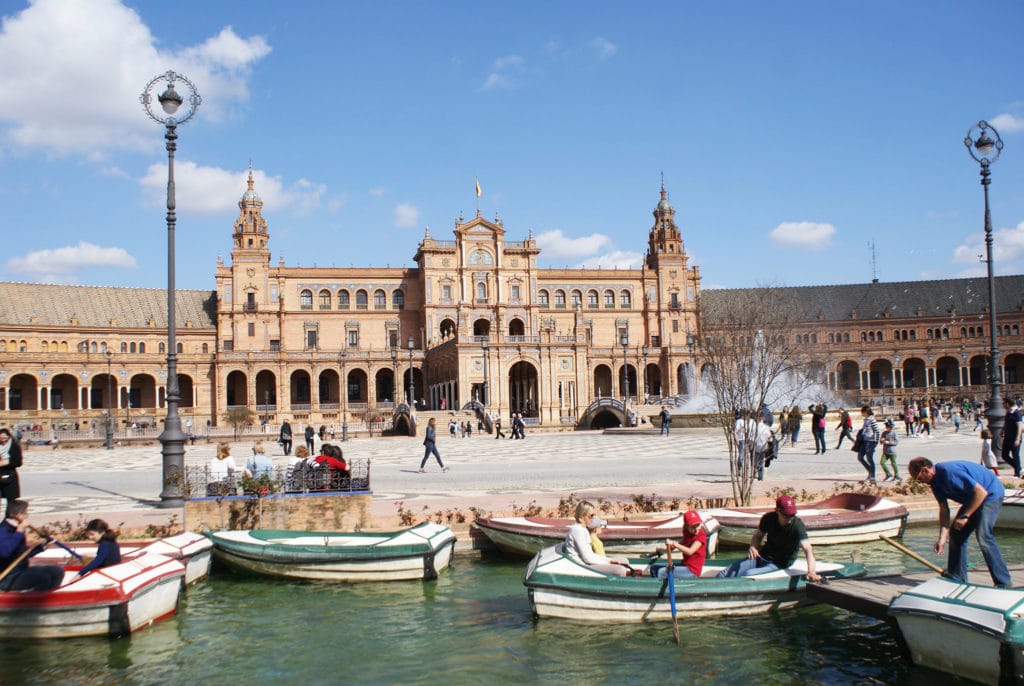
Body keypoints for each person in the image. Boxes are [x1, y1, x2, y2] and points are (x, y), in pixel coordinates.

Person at [908, 457, 1010, 587]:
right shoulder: (935, 483)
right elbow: (944, 510)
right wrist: (942, 538)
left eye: (920, 479)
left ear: (926, 470)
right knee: (956, 534)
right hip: (972, 500)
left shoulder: (949, 472)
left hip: (990, 494)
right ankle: (957, 577)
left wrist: (966, 516)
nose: (921, 482)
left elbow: (981, 492)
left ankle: (1003, 582)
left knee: (984, 536)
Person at [717, 495, 820, 582]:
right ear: (777, 511)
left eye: (792, 515)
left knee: (748, 574)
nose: (789, 519)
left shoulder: (797, 526)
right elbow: (758, 536)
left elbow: (808, 549)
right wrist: (753, 547)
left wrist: (811, 571)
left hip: (779, 563)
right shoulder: (768, 518)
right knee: (724, 574)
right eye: (786, 515)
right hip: (762, 556)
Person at [0, 499, 64, 591]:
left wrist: (42, 546)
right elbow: (5, 552)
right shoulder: (3, 531)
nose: (26, 517)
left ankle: (48, 597)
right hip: (6, 576)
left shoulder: (17, 528)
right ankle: (31, 601)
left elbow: (23, 554)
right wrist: (19, 532)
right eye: (25, 514)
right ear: (18, 515)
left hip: (21, 570)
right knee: (43, 579)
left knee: (57, 571)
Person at [563, 501, 629, 576]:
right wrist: (608, 562)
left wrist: (609, 560)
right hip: (582, 566)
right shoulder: (578, 530)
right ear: (581, 517)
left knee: (624, 561)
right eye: (591, 515)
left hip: (587, 563)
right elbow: (587, 558)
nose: (593, 518)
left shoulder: (583, 529)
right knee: (620, 570)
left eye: (594, 515)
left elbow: (590, 555)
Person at [649, 510, 707, 579]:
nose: (696, 529)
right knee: (654, 568)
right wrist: (671, 547)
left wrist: (674, 543)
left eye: (698, 525)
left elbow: (690, 551)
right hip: (684, 565)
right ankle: (655, 588)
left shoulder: (701, 536)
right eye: (692, 527)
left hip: (692, 571)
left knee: (661, 572)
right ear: (686, 526)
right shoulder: (686, 532)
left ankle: (658, 588)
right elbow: (684, 541)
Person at [0, 428, 24, 509]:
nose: (3, 440)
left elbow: (19, 462)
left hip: (10, 475)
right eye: (1, 438)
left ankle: (8, 520)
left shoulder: (14, 447)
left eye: (4, 438)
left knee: (11, 503)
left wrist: (7, 463)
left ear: (8, 437)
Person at [856, 405, 880, 483]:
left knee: (869, 458)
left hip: (870, 441)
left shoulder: (872, 420)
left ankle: (872, 476)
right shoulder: (866, 420)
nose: (861, 413)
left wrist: (876, 442)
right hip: (864, 441)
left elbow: (877, 431)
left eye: (862, 412)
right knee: (860, 457)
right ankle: (870, 471)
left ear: (866, 412)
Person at [1001, 397, 1023, 478]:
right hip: (1007, 437)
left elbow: (1020, 426)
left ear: (1007, 403)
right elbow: (1006, 422)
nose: (1002, 405)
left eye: (1003, 403)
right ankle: (1018, 467)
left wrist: (1018, 438)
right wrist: (1003, 430)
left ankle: (1017, 473)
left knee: (1015, 455)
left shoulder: (1016, 413)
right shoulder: (1009, 412)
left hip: (1014, 437)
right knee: (1004, 455)